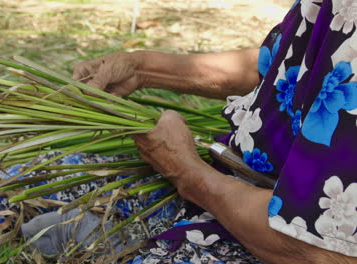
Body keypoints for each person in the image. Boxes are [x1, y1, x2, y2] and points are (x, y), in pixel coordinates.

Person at [71, 0, 357, 263]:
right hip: (229, 193)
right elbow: (284, 66)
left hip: (267, 233)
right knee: (52, 180)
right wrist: (142, 68)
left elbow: (320, 250)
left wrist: (188, 173)